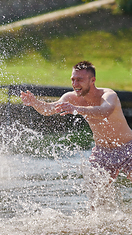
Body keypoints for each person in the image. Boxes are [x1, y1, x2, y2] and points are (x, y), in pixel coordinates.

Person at [21, 61, 132, 202]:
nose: (75, 84)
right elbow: (49, 109)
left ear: (92, 80)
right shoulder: (71, 98)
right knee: (95, 197)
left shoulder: (109, 95)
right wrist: (34, 102)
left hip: (128, 148)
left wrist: (78, 109)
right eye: (73, 79)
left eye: (80, 80)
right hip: (102, 153)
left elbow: (104, 111)